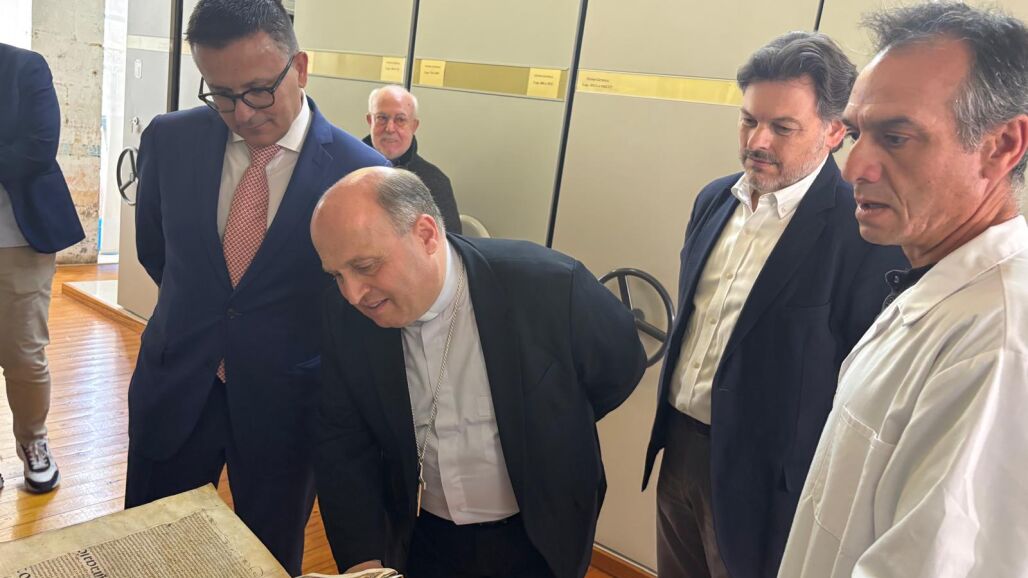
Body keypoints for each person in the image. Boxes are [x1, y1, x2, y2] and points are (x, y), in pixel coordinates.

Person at [124, 0, 387, 573]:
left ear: (301, 67)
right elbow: (158, 251)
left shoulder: (361, 175)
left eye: (259, 91)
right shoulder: (170, 139)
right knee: (147, 550)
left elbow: (359, 309)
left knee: (266, 556)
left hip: (286, 403)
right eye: (220, 94)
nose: (241, 113)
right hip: (175, 382)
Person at [642, 32, 908, 578]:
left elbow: (863, 383)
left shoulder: (861, 233)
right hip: (680, 447)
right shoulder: (714, 199)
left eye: (783, 128)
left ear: (834, 131)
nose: (758, 141)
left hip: (770, 482)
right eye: (749, 121)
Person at [779, 3, 1028, 576]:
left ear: (1001, 146)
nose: (854, 169)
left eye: (895, 137)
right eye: (857, 134)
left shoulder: (1000, 346)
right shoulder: (942, 285)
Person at [310, 167, 646, 578]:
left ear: (426, 235)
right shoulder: (344, 315)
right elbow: (342, 440)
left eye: (365, 266)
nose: (352, 294)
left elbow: (619, 370)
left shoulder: (551, 286)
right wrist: (363, 563)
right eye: (337, 275)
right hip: (421, 537)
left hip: (539, 535)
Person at [0, 42, 84, 493]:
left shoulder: (24, 67)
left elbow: (37, 148)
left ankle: (33, 442)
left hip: (18, 239)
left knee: (24, 354)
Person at [363, 85, 462, 233]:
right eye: (382, 118)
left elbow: (447, 243)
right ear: (370, 121)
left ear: (414, 126)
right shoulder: (345, 169)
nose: (390, 128)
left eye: (400, 120)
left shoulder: (435, 183)